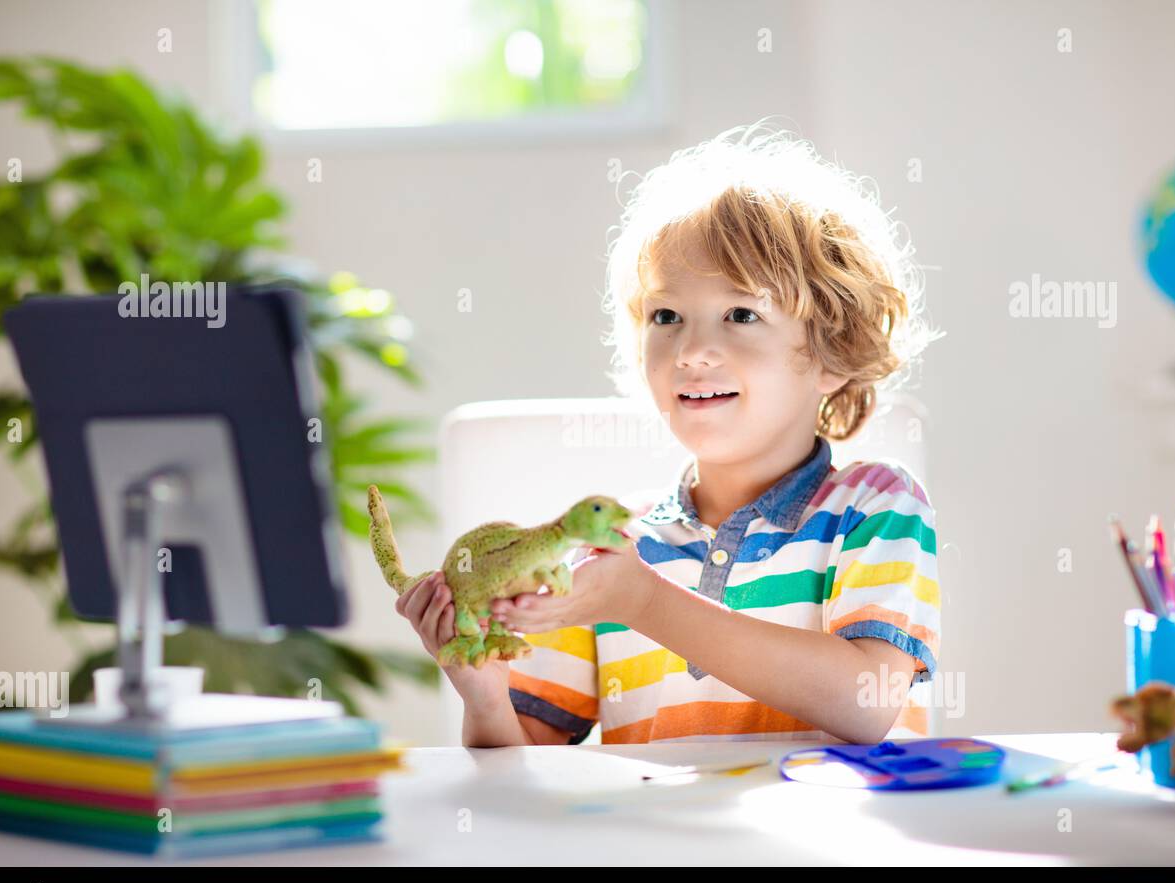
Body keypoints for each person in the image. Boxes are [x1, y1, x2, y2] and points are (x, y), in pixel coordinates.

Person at [398, 122, 941, 747]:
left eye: (741, 314)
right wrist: (484, 693)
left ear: (833, 353)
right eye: (666, 316)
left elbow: (863, 702)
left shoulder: (877, 507)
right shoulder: (612, 557)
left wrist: (644, 603)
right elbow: (523, 773)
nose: (691, 350)